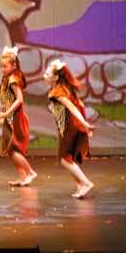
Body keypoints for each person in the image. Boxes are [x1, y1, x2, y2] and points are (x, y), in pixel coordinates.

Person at [44, 59, 95, 198]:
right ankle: (80, 185)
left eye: (47, 74)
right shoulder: (63, 87)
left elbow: (72, 107)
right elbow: (77, 104)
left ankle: (86, 183)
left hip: (68, 127)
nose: (44, 76)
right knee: (68, 158)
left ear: (55, 78)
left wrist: (85, 123)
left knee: (64, 159)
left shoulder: (57, 92)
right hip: (67, 125)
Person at [0, 46, 36, 186]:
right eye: (1, 66)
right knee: (10, 150)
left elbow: (19, 100)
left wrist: (7, 113)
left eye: (5, 66)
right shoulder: (7, 78)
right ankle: (23, 177)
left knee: (13, 149)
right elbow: (6, 99)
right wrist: (4, 116)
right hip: (9, 118)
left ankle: (30, 172)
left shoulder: (13, 79)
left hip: (15, 118)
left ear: (14, 66)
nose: (2, 69)